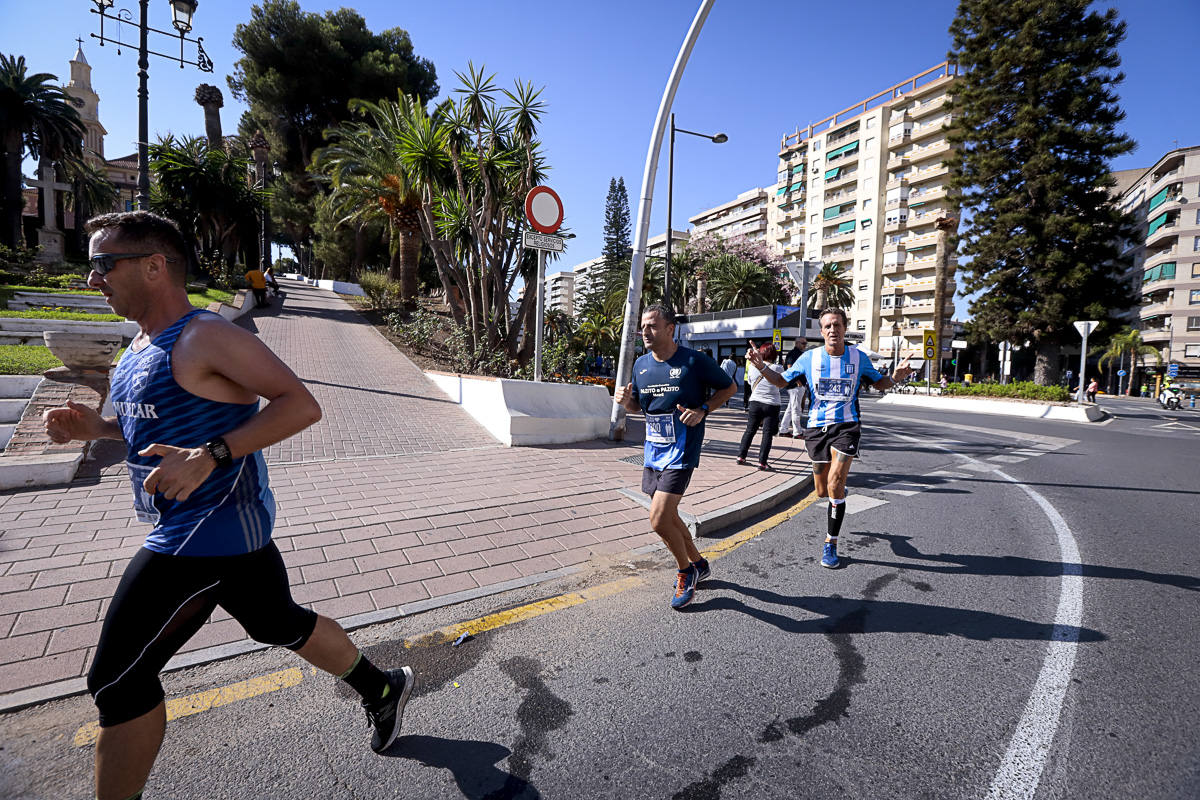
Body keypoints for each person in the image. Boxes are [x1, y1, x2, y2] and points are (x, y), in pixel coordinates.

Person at [43, 212, 413, 800]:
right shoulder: (139, 346)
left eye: (102, 265)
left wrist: (211, 456)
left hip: (203, 535)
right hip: (220, 536)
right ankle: (382, 688)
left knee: (117, 682)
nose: (93, 280)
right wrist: (98, 427)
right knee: (280, 623)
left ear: (154, 266)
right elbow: (156, 429)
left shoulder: (206, 335)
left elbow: (301, 405)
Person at [748, 307, 914, 569]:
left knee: (835, 483)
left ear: (844, 328)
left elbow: (878, 383)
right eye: (827, 326)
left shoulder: (858, 358)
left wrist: (894, 377)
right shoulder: (808, 359)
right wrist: (761, 367)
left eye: (837, 325)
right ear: (821, 331)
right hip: (816, 428)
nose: (833, 330)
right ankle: (836, 490)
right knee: (821, 490)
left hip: (847, 426)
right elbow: (781, 382)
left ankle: (830, 543)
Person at [614, 303, 737, 609]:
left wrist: (703, 410)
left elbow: (729, 386)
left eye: (652, 326)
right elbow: (640, 409)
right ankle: (699, 563)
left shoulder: (694, 361)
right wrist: (627, 402)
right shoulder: (641, 366)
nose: (645, 331)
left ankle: (685, 572)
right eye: (643, 326)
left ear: (670, 329)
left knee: (658, 519)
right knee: (668, 515)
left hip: (682, 450)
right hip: (653, 451)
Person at [737, 342, 786, 470]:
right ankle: (762, 462)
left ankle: (741, 456)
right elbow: (781, 383)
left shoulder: (753, 368)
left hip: (755, 402)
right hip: (772, 404)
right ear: (774, 354)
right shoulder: (778, 368)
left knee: (750, 430)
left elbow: (749, 382)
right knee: (767, 433)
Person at [778, 337, 808, 438]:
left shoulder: (799, 353)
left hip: (797, 385)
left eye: (805, 343)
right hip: (795, 386)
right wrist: (797, 381)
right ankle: (797, 432)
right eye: (803, 343)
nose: (805, 345)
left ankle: (783, 429)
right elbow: (789, 367)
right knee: (796, 409)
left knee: (791, 408)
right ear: (797, 343)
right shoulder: (793, 353)